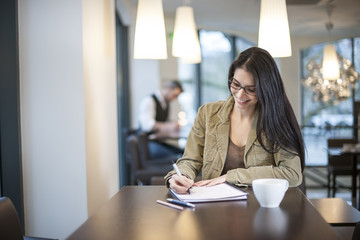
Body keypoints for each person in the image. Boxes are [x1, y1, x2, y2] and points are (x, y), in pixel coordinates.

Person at [165, 47, 305, 194]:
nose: (240, 94)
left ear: (267, 89)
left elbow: (292, 174)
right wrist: (180, 176)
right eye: (236, 84)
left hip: (259, 206)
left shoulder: (276, 119)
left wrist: (231, 176)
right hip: (213, 206)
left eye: (251, 89)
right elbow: (190, 160)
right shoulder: (207, 113)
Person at [139, 80, 184, 159]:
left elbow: (170, 122)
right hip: (147, 144)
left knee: (183, 153)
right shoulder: (149, 100)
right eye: (174, 95)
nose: (174, 98)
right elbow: (147, 125)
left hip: (158, 142)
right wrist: (169, 126)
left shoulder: (166, 104)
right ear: (168, 88)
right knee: (178, 158)